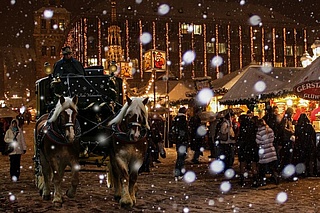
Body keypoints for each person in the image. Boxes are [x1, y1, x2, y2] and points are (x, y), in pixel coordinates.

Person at [237, 113, 259, 187]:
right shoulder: (253, 126)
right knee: (253, 163)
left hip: (244, 146)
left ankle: (242, 179)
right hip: (252, 146)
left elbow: (240, 137)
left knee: (243, 162)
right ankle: (255, 179)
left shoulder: (243, 127)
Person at [256, 119, 279, 187]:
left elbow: (258, 141)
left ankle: (263, 180)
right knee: (272, 167)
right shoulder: (269, 129)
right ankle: (275, 176)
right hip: (271, 149)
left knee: (262, 167)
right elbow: (273, 138)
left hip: (264, 151)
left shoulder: (259, 132)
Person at [171, 107, 189, 179]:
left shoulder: (176, 119)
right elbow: (183, 131)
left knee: (180, 156)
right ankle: (179, 172)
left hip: (179, 141)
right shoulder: (183, 119)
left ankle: (178, 172)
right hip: (182, 141)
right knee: (181, 157)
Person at [279, 107, 295, 172]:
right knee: (287, 157)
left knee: (287, 157)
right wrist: (290, 131)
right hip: (286, 140)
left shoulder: (288, 119)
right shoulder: (286, 119)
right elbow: (283, 128)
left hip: (288, 140)